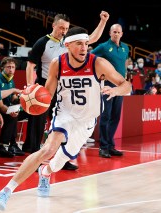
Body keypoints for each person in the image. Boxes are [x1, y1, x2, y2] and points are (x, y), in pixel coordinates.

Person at [0, 26, 132, 211]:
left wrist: (115, 90)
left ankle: (45, 172)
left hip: (87, 120)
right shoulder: (58, 63)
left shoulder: (98, 63)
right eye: (79, 44)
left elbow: (126, 85)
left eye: (86, 44)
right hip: (65, 114)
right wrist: (32, 97)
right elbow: (47, 94)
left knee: (59, 162)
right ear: (67, 45)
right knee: (47, 149)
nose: (84, 48)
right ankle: (6, 192)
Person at [24, 11, 109, 170]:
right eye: (61, 27)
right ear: (53, 25)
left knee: (66, 125)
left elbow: (92, 38)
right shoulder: (42, 42)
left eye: (66, 28)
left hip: (65, 87)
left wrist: (103, 21)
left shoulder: (70, 42)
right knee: (38, 124)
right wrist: (30, 86)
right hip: (45, 86)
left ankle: (60, 159)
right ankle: (35, 159)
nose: (63, 31)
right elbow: (30, 65)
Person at [91, 23, 130, 158]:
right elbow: (90, 58)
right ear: (110, 33)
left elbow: (124, 62)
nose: (116, 34)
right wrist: (99, 73)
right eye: (114, 32)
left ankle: (110, 145)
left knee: (115, 116)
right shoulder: (103, 47)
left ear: (122, 34)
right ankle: (103, 147)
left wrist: (124, 77)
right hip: (107, 84)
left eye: (118, 32)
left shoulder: (125, 48)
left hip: (120, 86)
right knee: (106, 115)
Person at [0, 57, 25, 157]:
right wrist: (12, 90)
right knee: (11, 115)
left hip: (6, 106)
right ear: (2, 68)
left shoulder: (11, 80)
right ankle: (1, 146)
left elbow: (13, 99)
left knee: (27, 112)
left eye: (13, 67)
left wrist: (21, 97)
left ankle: (14, 145)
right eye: (8, 67)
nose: (11, 69)